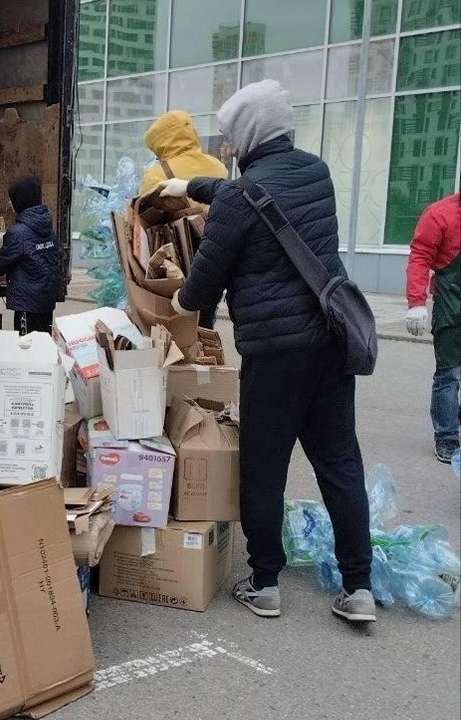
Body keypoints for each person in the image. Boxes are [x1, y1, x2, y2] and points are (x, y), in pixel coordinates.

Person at [161, 79, 375, 623]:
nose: (228, 147)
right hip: (329, 344)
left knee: (264, 464)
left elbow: (202, 287)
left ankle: (265, 582)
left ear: (249, 134)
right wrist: (191, 184)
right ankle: (359, 587)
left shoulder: (239, 197)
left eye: (232, 137)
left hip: (276, 354)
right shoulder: (317, 173)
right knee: (339, 462)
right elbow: (252, 194)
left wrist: (176, 300)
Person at [139, 110, 230, 328]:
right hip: (213, 249)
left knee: (173, 317)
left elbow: (143, 218)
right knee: (206, 314)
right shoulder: (217, 166)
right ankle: (205, 347)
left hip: (176, 255)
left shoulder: (156, 173)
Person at [405, 192, 461, 463]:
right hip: (452, 306)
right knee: (449, 374)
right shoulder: (439, 214)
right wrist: (416, 302)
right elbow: (420, 257)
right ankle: (447, 436)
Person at [0, 176, 59, 335]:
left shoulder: (18, 232)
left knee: (26, 347)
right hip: (45, 299)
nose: (10, 204)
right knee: (42, 342)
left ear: (19, 201)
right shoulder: (46, 225)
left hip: (28, 304)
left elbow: (1, 263)